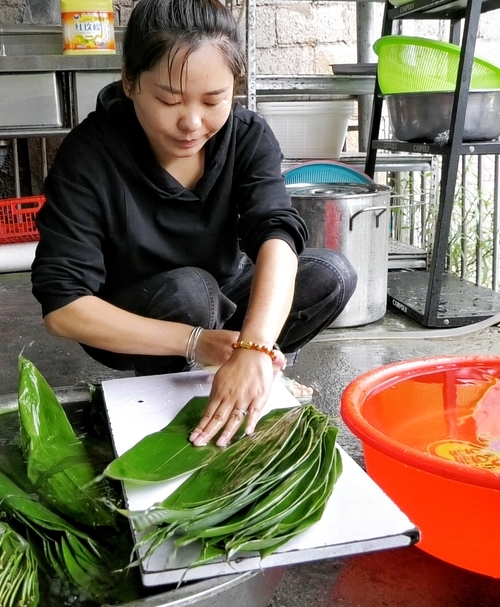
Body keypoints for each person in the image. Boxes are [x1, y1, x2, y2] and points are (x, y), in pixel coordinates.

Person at [31, 0, 356, 448]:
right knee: (189, 291)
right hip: (136, 314)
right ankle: (176, 400)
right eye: (168, 100)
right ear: (129, 81)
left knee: (331, 273)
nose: (191, 123)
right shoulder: (89, 154)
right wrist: (196, 342)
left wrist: (256, 345)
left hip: (222, 296)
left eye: (213, 100)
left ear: (234, 87)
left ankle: (250, 375)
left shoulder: (247, 136)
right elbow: (64, 308)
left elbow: (276, 231)